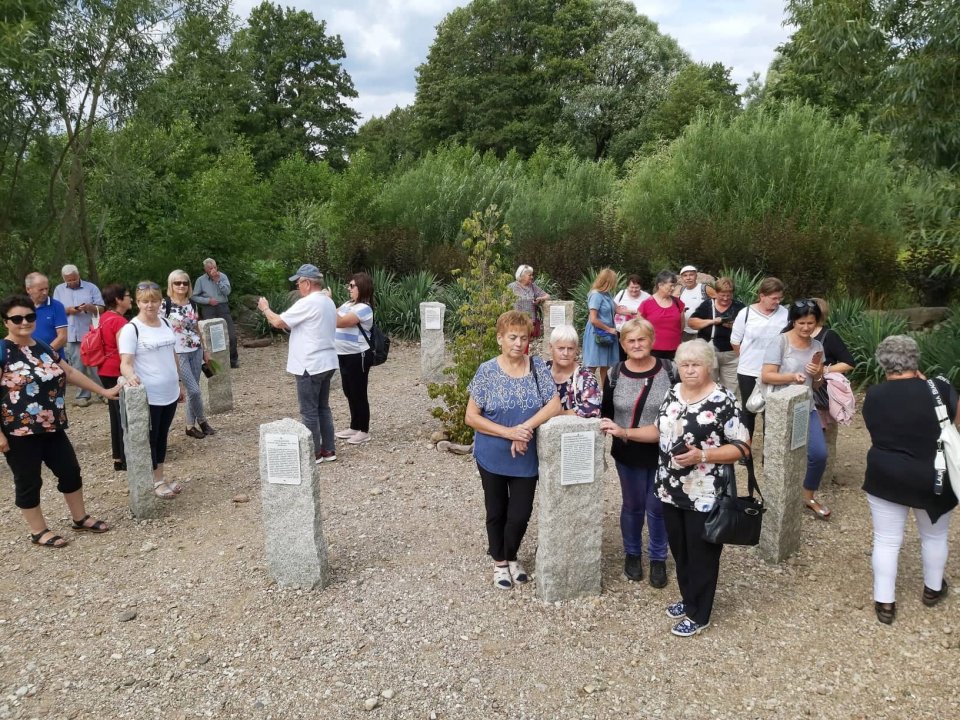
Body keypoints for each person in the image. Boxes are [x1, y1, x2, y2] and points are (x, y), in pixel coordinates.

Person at [601, 339, 750, 637]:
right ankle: (687, 598)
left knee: (702, 553)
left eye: (696, 364)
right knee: (680, 548)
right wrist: (624, 432)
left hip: (705, 492)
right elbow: (658, 431)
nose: (690, 370)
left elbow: (743, 447)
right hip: (670, 487)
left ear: (709, 366)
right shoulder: (673, 393)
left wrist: (703, 455)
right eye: (685, 364)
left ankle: (700, 613)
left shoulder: (723, 400)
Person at [1, 294, 119, 548]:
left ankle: (80, 517)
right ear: (6, 322)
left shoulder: (42, 346)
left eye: (30, 316)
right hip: (19, 432)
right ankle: (38, 531)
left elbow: (71, 372)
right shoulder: (3, 351)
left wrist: (104, 392)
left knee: (70, 471)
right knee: (28, 480)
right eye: (17, 318)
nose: (24, 322)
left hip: (53, 425)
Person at [863, 335, 956, 624]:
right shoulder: (940, 388)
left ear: (882, 363)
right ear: (916, 359)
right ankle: (933, 588)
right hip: (935, 472)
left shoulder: (874, 395)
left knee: (887, 540)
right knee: (935, 535)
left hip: (886, 473)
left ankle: (885, 602)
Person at [465, 310, 561, 590]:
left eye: (523, 338)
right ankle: (500, 562)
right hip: (492, 454)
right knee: (496, 510)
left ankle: (510, 553)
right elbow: (471, 417)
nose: (519, 343)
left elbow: (553, 405)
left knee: (520, 512)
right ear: (500, 339)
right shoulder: (487, 370)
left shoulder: (537, 368)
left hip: (526, 456)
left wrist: (525, 429)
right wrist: (509, 432)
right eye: (512, 337)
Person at [599, 318, 674, 588]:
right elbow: (605, 411)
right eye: (631, 340)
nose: (637, 345)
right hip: (627, 451)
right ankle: (632, 554)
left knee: (657, 506)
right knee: (632, 505)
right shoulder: (615, 373)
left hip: (663, 451)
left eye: (642, 339)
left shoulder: (670, 370)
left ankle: (657, 557)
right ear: (623, 344)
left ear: (652, 341)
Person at [258, 264, 339, 464]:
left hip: (308, 363)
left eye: (298, 283)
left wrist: (265, 308)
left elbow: (278, 322)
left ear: (307, 283)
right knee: (323, 408)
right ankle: (328, 449)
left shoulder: (308, 302)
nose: (297, 287)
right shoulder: (327, 301)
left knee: (309, 410)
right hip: (326, 361)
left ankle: (313, 453)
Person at [761, 299, 830, 518]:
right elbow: (766, 374)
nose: (806, 327)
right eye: (801, 323)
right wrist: (792, 377)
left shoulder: (817, 346)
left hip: (806, 406)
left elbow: (817, 383)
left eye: (811, 323)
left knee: (819, 454)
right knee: (779, 455)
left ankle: (807, 495)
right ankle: (773, 501)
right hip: (781, 407)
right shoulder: (780, 342)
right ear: (793, 321)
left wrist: (817, 373)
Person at [119, 281, 185, 499]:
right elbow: (125, 362)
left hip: (170, 391)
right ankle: (155, 481)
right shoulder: (132, 329)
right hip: (150, 394)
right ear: (138, 303)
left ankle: (159, 476)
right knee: (151, 437)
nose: (150, 305)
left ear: (160, 302)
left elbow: (173, 353)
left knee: (162, 435)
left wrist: (179, 381)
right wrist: (131, 377)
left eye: (154, 300)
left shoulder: (166, 323)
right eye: (145, 301)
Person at [730, 276, 788, 437]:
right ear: (762, 296)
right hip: (748, 371)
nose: (777, 301)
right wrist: (747, 358)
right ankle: (744, 447)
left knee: (771, 413)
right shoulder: (746, 313)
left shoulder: (785, 314)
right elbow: (735, 341)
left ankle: (769, 453)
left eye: (780, 298)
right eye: (773, 298)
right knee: (748, 410)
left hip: (776, 373)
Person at [166, 270, 215, 440]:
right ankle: (202, 421)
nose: (181, 286)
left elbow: (196, 328)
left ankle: (189, 426)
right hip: (178, 353)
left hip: (196, 350)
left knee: (194, 389)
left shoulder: (192, 304)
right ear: (171, 285)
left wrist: (205, 350)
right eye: (177, 283)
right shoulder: (164, 305)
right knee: (194, 391)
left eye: (185, 283)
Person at [53, 264, 105, 406]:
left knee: (96, 364)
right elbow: (56, 310)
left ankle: (103, 392)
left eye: (74, 279)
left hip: (91, 333)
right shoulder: (59, 289)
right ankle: (82, 396)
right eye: (68, 280)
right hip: (70, 334)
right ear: (64, 279)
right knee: (77, 366)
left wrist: (89, 307)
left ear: (79, 275)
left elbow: (101, 308)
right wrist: (70, 310)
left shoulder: (91, 287)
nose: (72, 282)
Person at [335, 271, 375, 445]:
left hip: (358, 355)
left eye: (352, 286)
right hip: (343, 354)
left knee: (359, 391)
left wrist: (327, 304)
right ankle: (354, 425)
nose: (349, 289)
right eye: (348, 286)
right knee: (348, 390)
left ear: (362, 287)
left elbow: (341, 322)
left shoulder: (364, 308)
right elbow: (333, 316)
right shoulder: (347, 304)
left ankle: (364, 429)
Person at [688, 277, 744, 394]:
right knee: (708, 383)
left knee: (731, 388)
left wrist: (734, 326)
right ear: (716, 293)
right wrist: (713, 321)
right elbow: (692, 323)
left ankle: (727, 409)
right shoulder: (707, 305)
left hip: (731, 353)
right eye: (722, 295)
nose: (725, 298)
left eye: (728, 295)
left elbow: (749, 328)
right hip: (709, 350)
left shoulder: (739, 307)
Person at [97, 284, 132, 471]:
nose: (131, 299)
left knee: (115, 414)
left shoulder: (102, 318)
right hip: (116, 371)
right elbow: (123, 350)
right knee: (124, 415)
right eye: (127, 295)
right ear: (118, 300)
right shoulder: (119, 322)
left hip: (103, 369)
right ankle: (126, 457)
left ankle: (118, 457)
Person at [191, 257, 238, 368]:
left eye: (214, 267)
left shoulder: (223, 276)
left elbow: (227, 292)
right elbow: (194, 296)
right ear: (205, 269)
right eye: (210, 268)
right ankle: (214, 361)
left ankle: (233, 360)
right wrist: (207, 301)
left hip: (223, 307)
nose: (213, 270)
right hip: (208, 308)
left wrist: (218, 281)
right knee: (210, 336)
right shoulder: (200, 280)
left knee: (231, 335)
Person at [546, 325, 601, 418]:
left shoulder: (585, 377)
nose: (565, 353)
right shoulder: (542, 370)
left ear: (576, 350)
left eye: (570, 348)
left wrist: (552, 414)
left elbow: (591, 410)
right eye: (561, 348)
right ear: (550, 348)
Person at [582, 268, 619, 387]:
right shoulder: (596, 295)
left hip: (608, 334)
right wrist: (609, 329)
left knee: (606, 365)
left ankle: (604, 394)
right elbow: (593, 319)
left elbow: (617, 309)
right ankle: (587, 393)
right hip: (597, 334)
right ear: (607, 281)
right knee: (592, 365)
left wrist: (635, 312)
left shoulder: (607, 294)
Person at [639, 270, 684, 360]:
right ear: (660, 285)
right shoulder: (646, 304)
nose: (673, 288)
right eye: (670, 285)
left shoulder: (678, 303)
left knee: (674, 373)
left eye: (674, 286)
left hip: (675, 350)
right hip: (653, 350)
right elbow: (639, 327)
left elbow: (682, 325)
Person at [24, 272, 67, 351]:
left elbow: (62, 337)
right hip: (25, 358)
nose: (45, 292)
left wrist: (44, 354)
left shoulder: (57, 306)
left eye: (46, 289)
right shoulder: (21, 307)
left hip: (53, 358)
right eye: (40, 290)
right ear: (28, 289)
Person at [674, 265, 716, 342]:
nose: (688, 278)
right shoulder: (681, 291)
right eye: (685, 275)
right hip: (685, 332)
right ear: (682, 278)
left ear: (696, 276)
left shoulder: (705, 288)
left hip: (702, 331)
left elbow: (719, 301)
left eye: (691, 275)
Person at [613, 274, 649, 361]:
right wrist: (633, 312)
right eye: (631, 287)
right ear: (627, 286)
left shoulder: (647, 297)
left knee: (637, 354)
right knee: (620, 356)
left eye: (637, 287)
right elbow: (614, 308)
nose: (634, 290)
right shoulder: (621, 294)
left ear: (640, 287)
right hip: (620, 331)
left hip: (638, 331)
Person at [508, 265, 549, 337]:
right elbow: (503, 302)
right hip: (514, 322)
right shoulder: (511, 287)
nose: (532, 277)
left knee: (526, 343)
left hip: (530, 323)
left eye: (532, 275)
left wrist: (540, 299)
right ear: (521, 276)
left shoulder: (532, 286)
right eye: (529, 275)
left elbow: (547, 296)